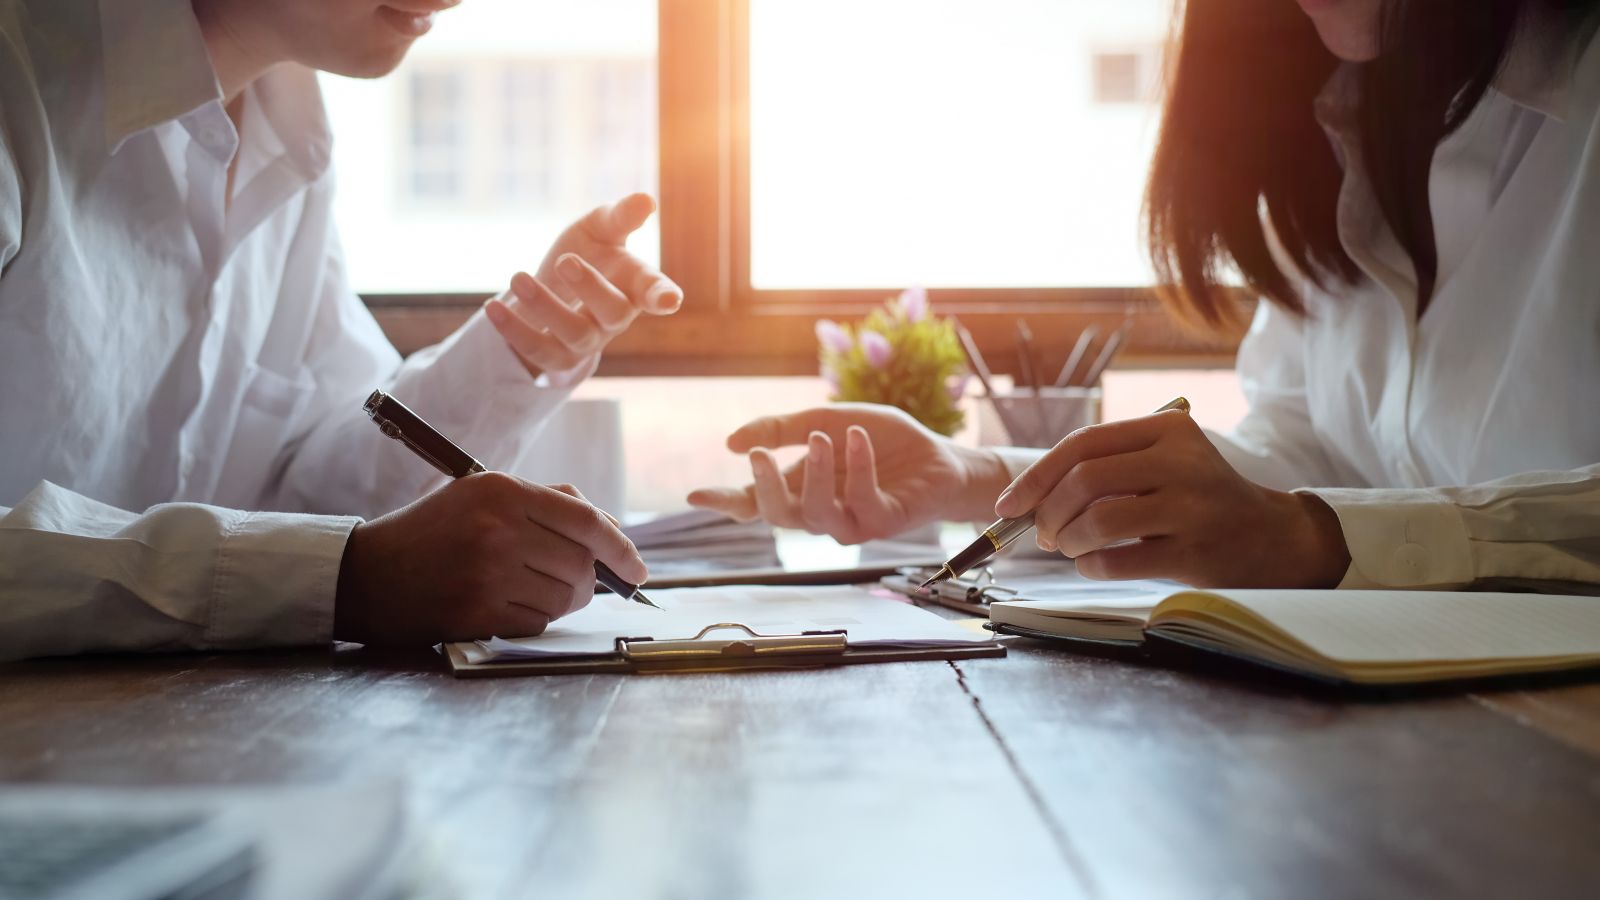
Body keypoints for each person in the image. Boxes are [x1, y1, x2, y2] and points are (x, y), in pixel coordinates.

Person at [691, 0, 1600, 592]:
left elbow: (1317, 515)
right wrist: (974, 480)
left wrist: (1317, 541)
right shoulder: (1324, 121)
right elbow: (1313, 451)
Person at [0, 0, 681, 660]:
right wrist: (347, 579)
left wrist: (516, 348)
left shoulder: (287, 130)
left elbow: (313, 493)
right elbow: (333, 552)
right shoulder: (17, 81)